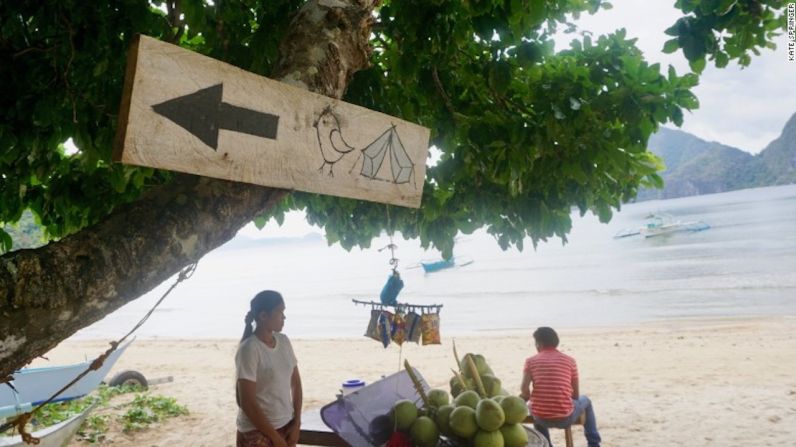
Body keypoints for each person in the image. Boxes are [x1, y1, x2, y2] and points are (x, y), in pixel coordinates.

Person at [236, 290, 303, 447]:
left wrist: (296, 423)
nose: (284, 317)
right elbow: (247, 403)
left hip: (285, 424)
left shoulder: (284, 341)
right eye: (280, 312)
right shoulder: (249, 349)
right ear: (263, 316)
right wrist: (275, 438)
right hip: (256, 429)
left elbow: (296, 384)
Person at [520, 327, 601, 447]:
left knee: (535, 407)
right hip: (565, 418)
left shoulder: (530, 361)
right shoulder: (570, 361)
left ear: (539, 344)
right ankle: (594, 444)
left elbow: (524, 391)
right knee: (586, 401)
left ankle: (547, 444)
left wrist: (523, 400)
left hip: (540, 419)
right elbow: (575, 395)